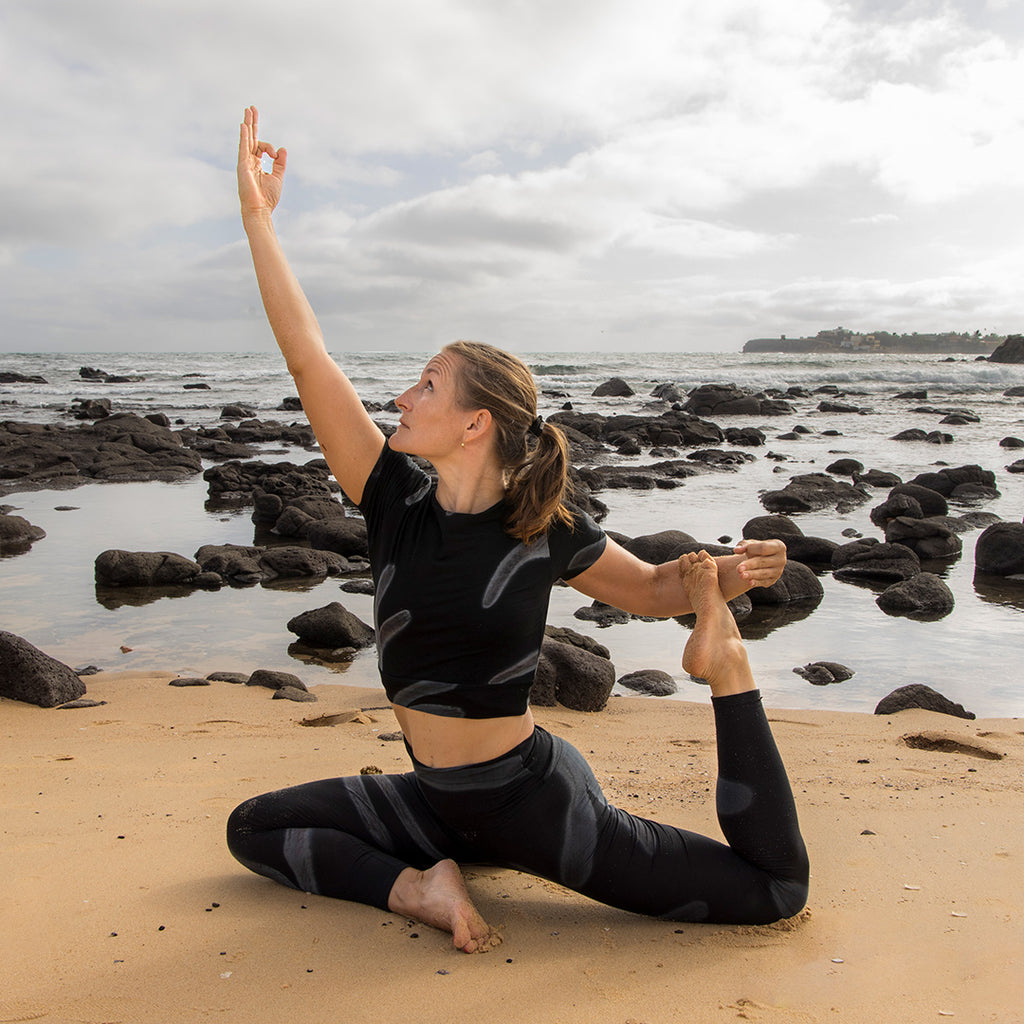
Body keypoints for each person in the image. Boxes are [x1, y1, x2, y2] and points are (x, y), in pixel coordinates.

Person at [226, 107, 809, 953]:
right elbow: (308, 355)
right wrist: (258, 218)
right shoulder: (389, 496)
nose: (401, 398)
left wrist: (724, 575)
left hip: (532, 804)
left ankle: (732, 673)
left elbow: (649, 589)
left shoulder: (543, 525)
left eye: (427, 385)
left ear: (475, 426)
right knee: (253, 828)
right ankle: (420, 887)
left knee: (773, 892)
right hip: (434, 802)